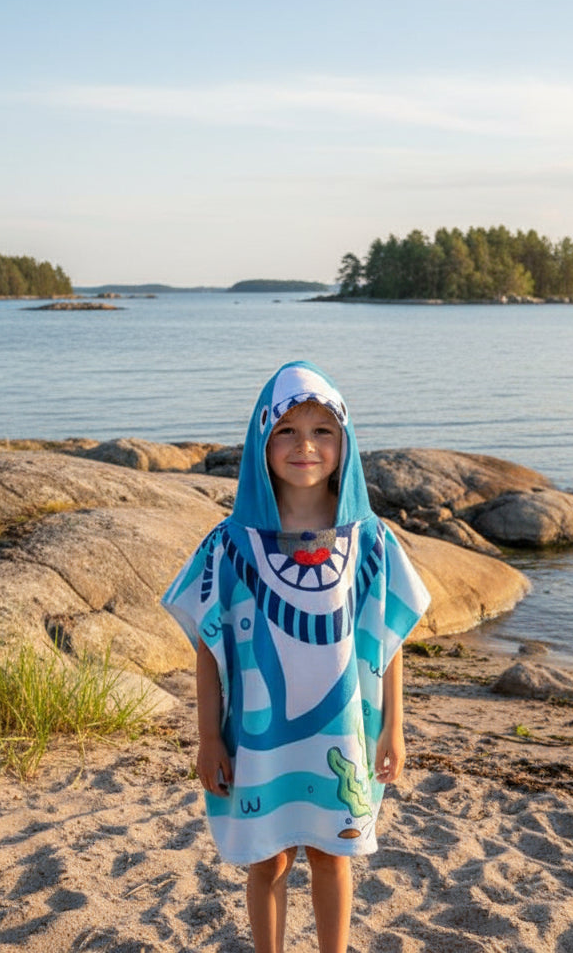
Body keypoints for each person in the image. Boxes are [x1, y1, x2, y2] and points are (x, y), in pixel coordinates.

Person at [161, 360, 430, 953]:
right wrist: (209, 738)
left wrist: (395, 731)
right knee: (269, 859)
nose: (304, 446)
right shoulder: (230, 545)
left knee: (335, 855)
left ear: (345, 441)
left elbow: (388, 641)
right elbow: (209, 647)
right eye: (286, 430)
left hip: (344, 735)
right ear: (261, 437)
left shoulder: (371, 541)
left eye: (322, 431)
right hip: (258, 737)